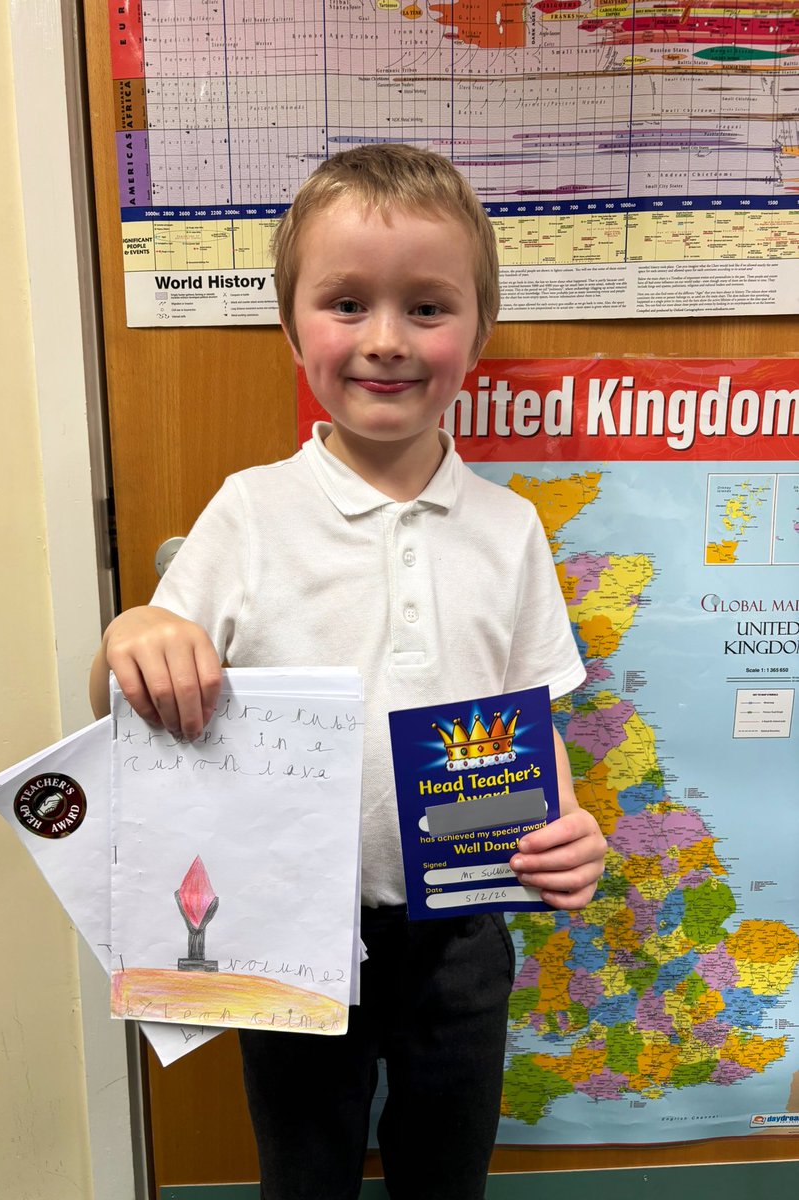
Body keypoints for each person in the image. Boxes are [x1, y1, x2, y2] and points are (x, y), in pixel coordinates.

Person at [90, 143, 607, 1200]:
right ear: (292, 330)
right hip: (290, 924)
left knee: (446, 1171)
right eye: (345, 304)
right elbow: (126, 692)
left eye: (427, 307)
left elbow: (530, 715)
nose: (385, 339)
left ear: (478, 331)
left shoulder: (510, 529)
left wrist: (566, 824)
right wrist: (132, 631)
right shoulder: (250, 510)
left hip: (463, 930)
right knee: (305, 1172)